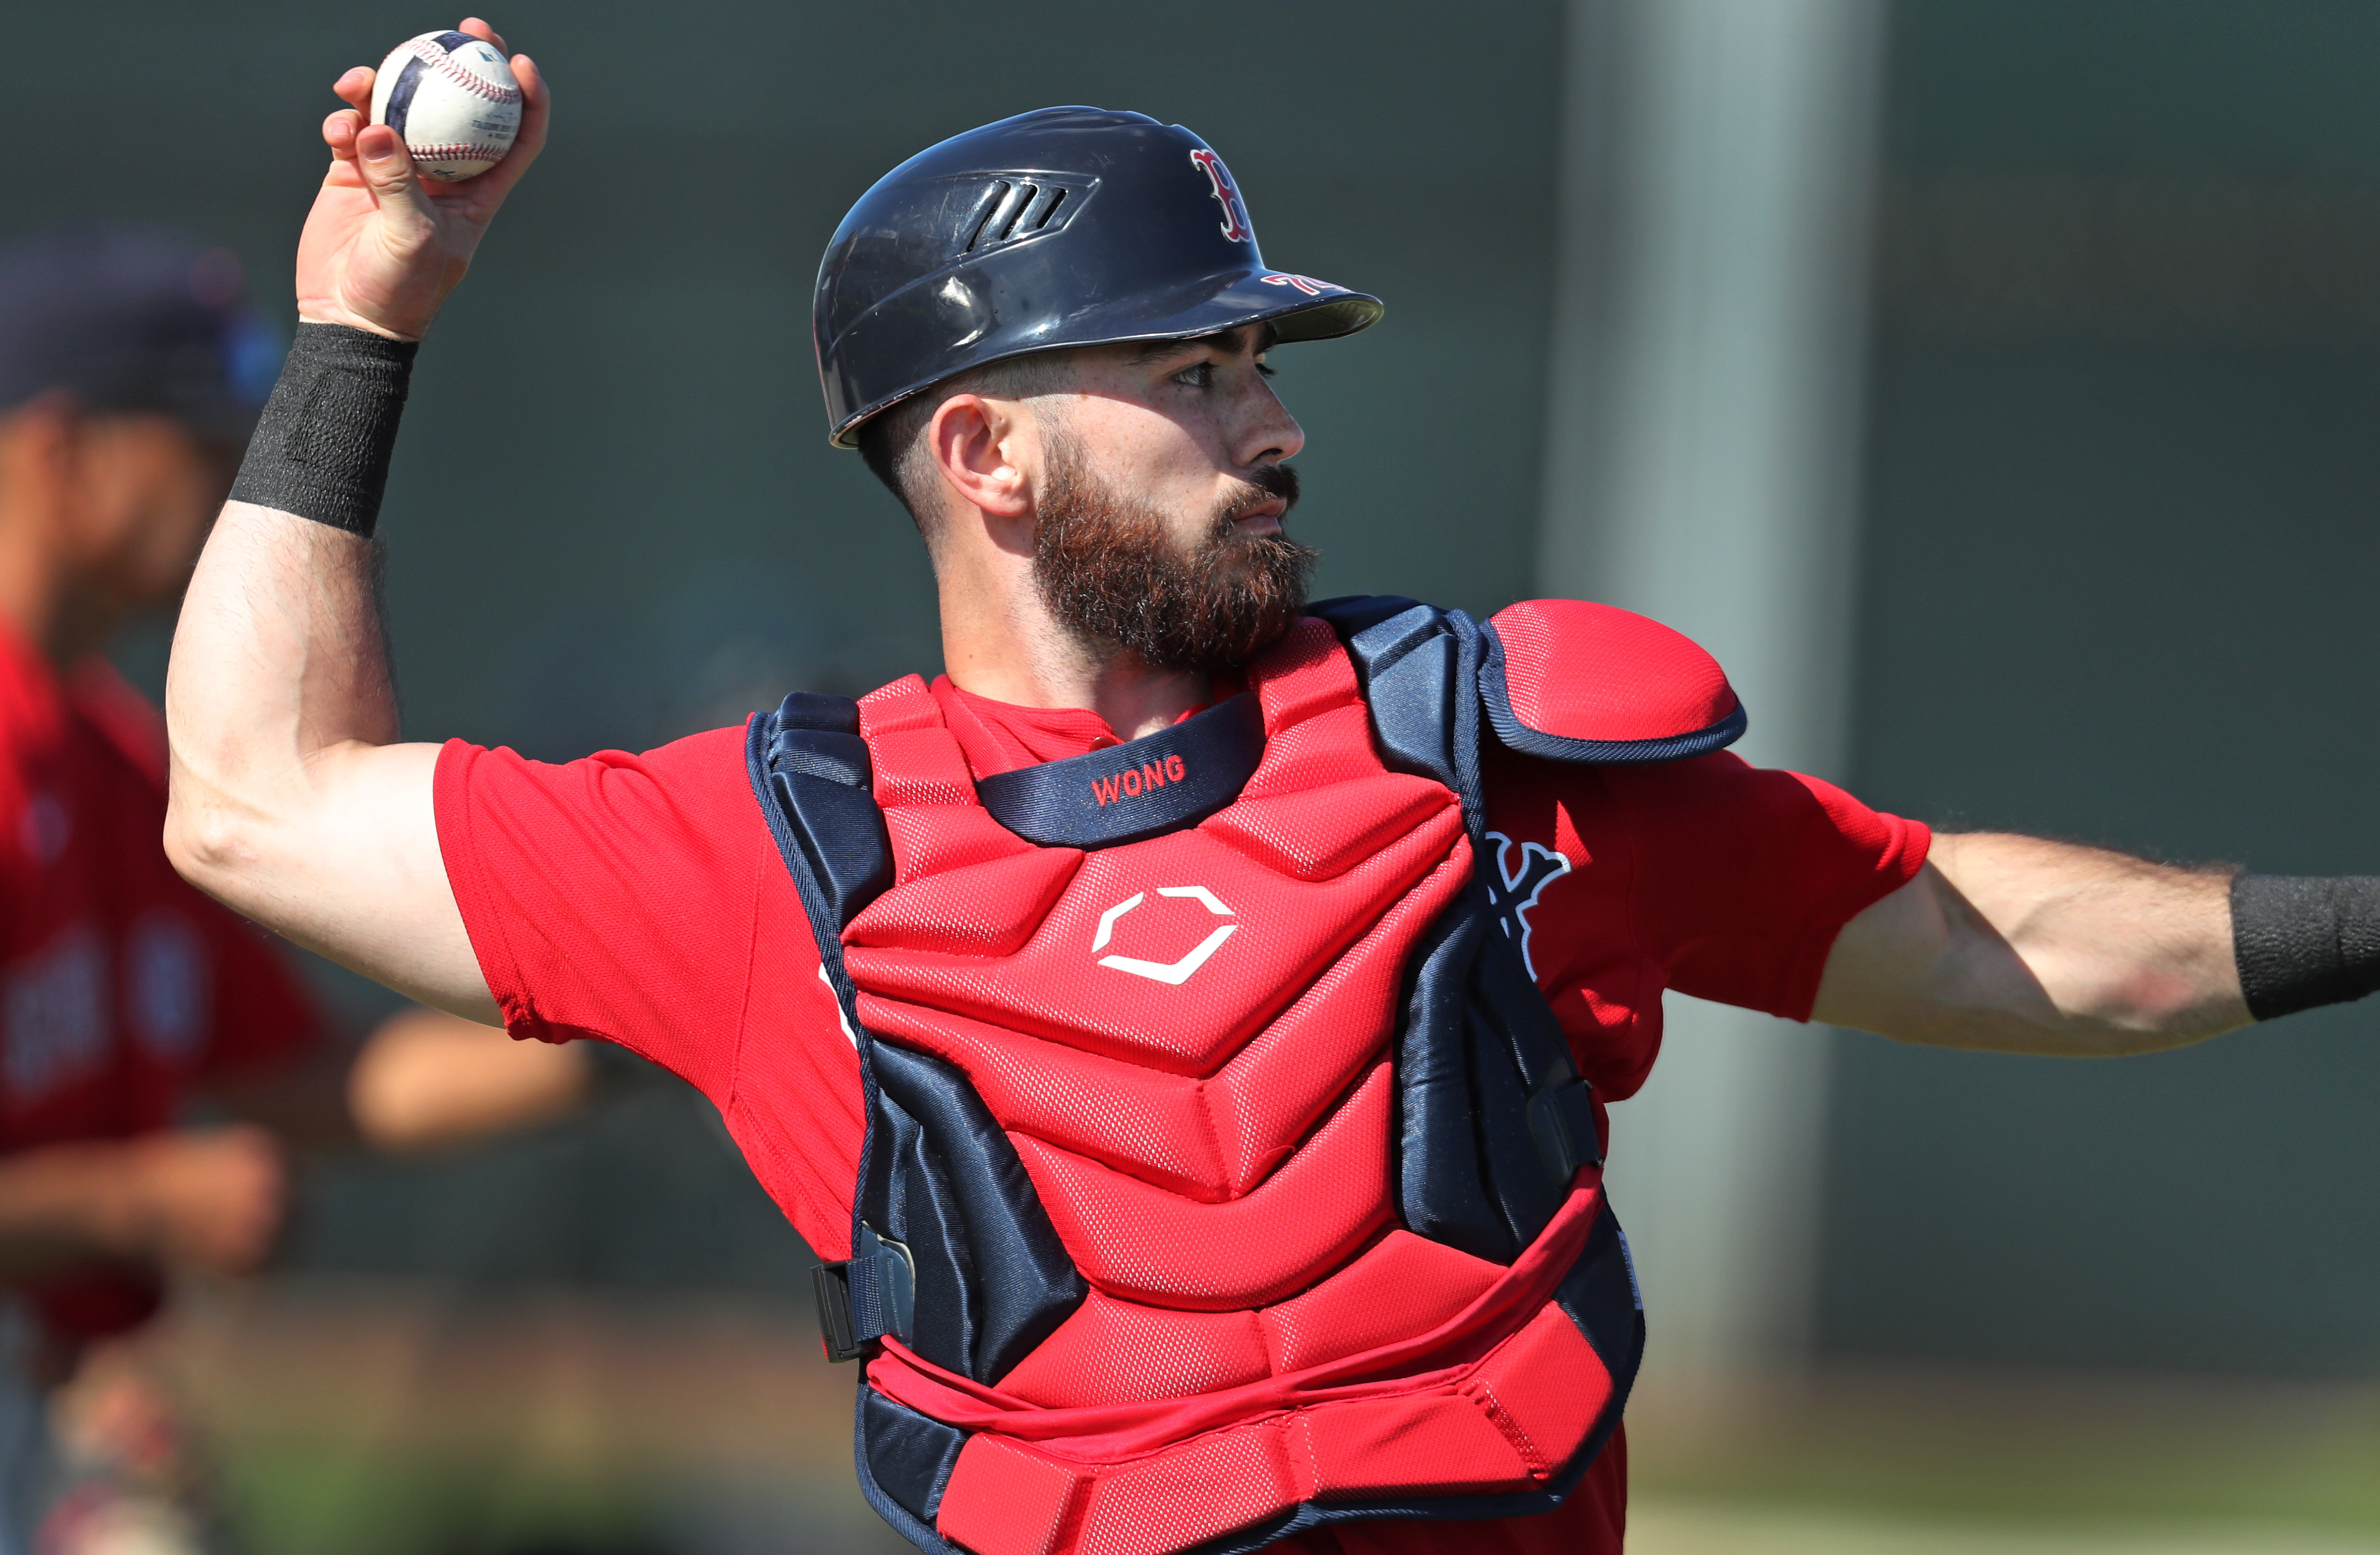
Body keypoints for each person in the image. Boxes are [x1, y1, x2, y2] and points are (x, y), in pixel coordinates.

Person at [157, 19, 2380, 1555]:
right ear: (987, 454)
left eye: (1260, 365)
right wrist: (371, 314)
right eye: (1190, 371)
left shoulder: (1487, 747)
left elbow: (2004, 948)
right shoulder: (772, 849)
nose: (1268, 421)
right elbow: (254, 796)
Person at [0, 222, 595, 1555]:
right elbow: (170, 1175)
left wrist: (647, 1030)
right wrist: (135, 1204)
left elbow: (301, 1079)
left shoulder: (105, 758)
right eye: (200, 443)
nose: (233, 489)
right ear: (59, 451)